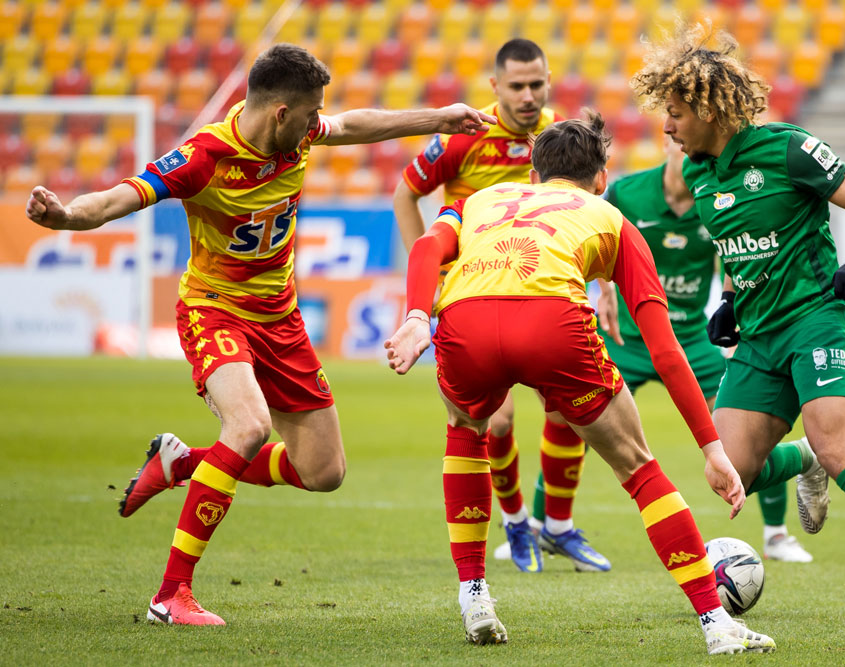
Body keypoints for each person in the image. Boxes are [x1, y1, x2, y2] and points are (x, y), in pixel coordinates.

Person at [24, 43, 495, 627]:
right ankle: (170, 594)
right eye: (310, 112)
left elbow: (353, 125)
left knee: (323, 471)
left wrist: (438, 117)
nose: (317, 122)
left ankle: (182, 464)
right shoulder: (205, 157)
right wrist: (68, 216)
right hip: (216, 310)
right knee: (248, 427)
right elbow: (123, 195)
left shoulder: (297, 134)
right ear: (280, 112)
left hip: (281, 319)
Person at [384, 113, 776, 654]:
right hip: (553, 327)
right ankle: (716, 624)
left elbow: (428, 247)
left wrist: (414, 317)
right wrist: (712, 450)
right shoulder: (612, 218)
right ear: (601, 178)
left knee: (465, 431)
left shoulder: (481, 199)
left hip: (465, 321)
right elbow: (665, 350)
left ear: (533, 175)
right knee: (638, 466)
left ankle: (474, 595)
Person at [631, 23, 845, 629]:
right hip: (758, 338)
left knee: (840, 445)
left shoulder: (789, 149)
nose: (667, 128)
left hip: (818, 318)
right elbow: (741, 245)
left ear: (708, 110)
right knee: (730, 472)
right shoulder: (701, 175)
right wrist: (730, 298)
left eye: (675, 113)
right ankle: (806, 460)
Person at [394, 38, 610, 574]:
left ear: (549, 82)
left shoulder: (560, 135)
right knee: (498, 419)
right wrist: (432, 278)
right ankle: (515, 523)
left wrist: (603, 287)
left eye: (536, 84)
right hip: (476, 294)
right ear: (495, 87)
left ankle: (558, 526)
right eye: (516, 86)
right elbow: (405, 193)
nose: (528, 96)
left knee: (567, 408)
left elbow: (590, 211)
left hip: (546, 291)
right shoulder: (463, 135)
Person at [598, 138, 814, 563]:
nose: (691, 154)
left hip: (693, 341)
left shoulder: (716, 196)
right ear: (666, 142)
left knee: (750, 432)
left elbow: (737, 257)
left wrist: (737, 311)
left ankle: (776, 534)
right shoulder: (627, 192)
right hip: (629, 337)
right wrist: (604, 289)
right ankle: (549, 526)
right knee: (575, 423)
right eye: (681, 143)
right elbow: (597, 236)